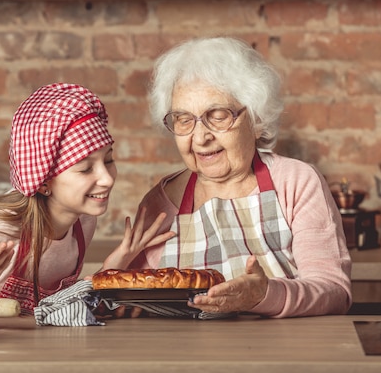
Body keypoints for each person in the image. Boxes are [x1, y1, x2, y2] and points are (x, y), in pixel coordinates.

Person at [0, 83, 173, 315]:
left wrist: (114, 267)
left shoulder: (82, 222)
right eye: (86, 168)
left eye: (109, 160)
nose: (108, 178)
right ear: (43, 182)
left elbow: (55, 309)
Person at [128, 37, 352, 318]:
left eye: (218, 115)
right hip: (183, 356)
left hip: (286, 353)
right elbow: (132, 297)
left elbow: (333, 292)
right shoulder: (160, 204)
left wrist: (264, 295)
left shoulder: (296, 182)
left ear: (256, 120)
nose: (201, 137)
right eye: (184, 120)